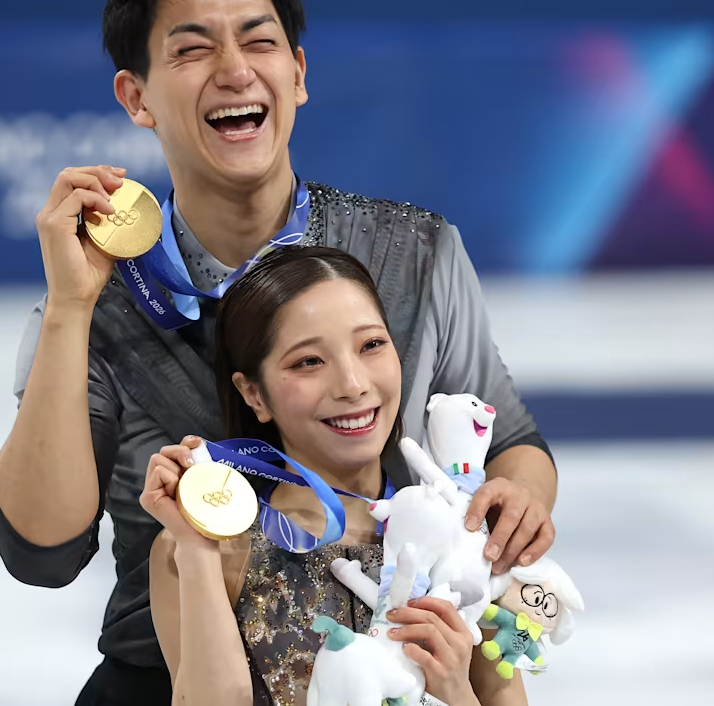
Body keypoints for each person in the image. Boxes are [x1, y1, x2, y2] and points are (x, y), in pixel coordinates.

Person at [0, 0, 559, 704]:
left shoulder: (414, 252)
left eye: (258, 41)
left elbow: (513, 447)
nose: (232, 70)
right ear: (137, 96)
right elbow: (40, 551)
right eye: (191, 50)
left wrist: (520, 499)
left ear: (296, 72)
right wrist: (70, 309)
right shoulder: (97, 297)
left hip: (402, 670)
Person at [143, 245, 526, 706]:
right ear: (253, 393)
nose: (352, 384)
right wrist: (198, 547)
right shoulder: (206, 549)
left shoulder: (459, 539)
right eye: (308, 361)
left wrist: (454, 689)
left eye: (371, 345)